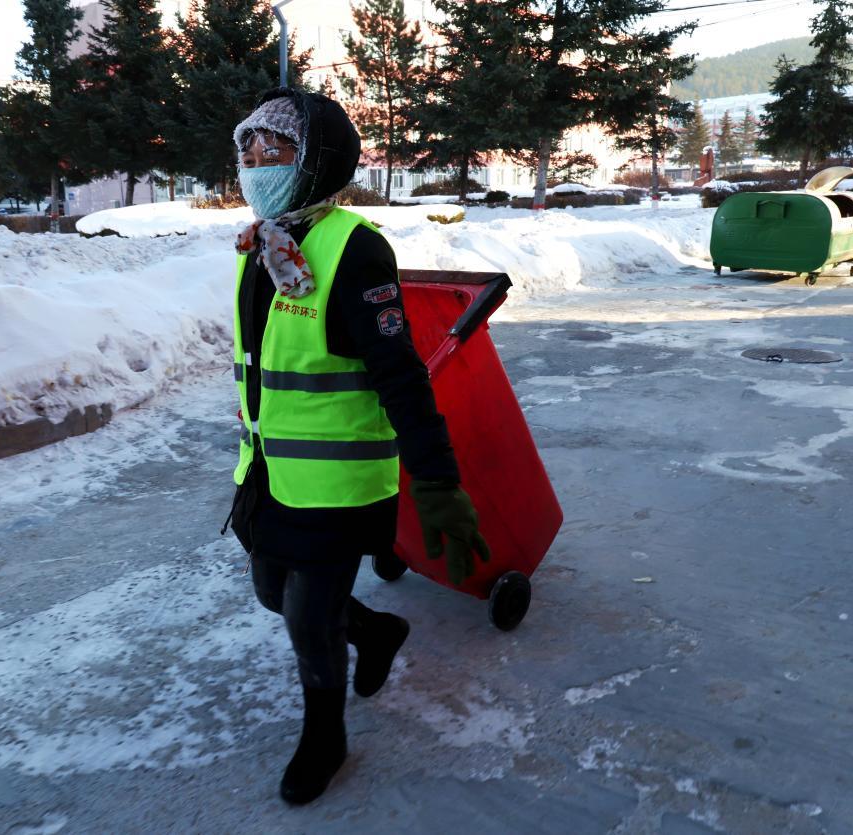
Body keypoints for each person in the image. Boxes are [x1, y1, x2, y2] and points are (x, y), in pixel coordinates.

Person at [225, 87, 491, 805]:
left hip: (338, 483)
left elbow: (400, 375)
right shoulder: (262, 247)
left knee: (310, 617)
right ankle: (375, 634)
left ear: (317, 159)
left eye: (276, 148)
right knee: (271, 592)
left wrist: (436, 479)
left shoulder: (355, 249)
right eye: (249, 149)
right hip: (269, 472)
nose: (257, 162)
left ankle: (326, 736)